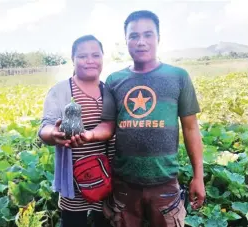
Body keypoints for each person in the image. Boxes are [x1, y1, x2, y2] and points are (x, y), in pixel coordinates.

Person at [72, 10, 206, 227]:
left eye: (148, 35)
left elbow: (190, 129)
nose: (141, 42)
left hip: (165, 186)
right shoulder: (115, 80)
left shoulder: (178, 77)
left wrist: (198, 176)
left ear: (158, 38)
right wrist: (88, 135)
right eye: (134, 36)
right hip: (124, 185)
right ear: (126, 41)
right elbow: (108, 124)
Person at [38, 35, 115, 227]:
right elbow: (45, 126)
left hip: (107, 177)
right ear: (72, 59)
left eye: (95, 55)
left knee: (105, 222)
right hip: (74, 178)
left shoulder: (110, 91)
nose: (89, 60)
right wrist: (53, 134)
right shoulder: (61, 91)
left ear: (103, 57)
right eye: (82, 56)